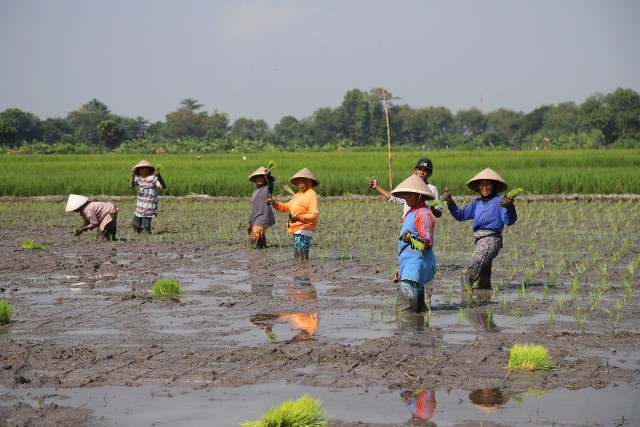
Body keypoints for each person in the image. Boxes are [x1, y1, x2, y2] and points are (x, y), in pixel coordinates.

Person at [441, 167, 517, 291]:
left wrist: (509, 207)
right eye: (482, 184)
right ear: (478, 186)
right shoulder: (477, 203)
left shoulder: (500, 202)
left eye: (488, 184)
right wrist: (450, 202)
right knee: (483, 279)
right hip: (479, 241)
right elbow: (460, 215)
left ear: (493, 186)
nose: (485, 187)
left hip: (491, 240)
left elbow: (509, 221)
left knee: (467, 274)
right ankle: (485, 304)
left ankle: (467, 306)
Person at [390, 174, 437, 312]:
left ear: (420, 195)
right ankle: (420, 332)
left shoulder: (423, 214)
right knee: (418, 309)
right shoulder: (410, 213)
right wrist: (400, 268)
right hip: (409, 267)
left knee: (407, 311)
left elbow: (426, 244)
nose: (407, 197)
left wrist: (411, 240)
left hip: (415, 266)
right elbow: (405, 247)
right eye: (405, 194)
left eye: (410, 194)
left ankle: (411, 333)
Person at [267, 168, 319, 261]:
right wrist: (274, 203)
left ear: (308, 181)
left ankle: (303, 272)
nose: (300, 183)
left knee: (300, 254)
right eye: (298, 181)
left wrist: (299, 217)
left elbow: (314, 214)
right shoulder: (298, 195)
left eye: (303, 181)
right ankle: (301, 272)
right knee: (298, 253)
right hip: (298, 227)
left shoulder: (311, 194)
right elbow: (286, 208)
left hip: (305, 227)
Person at [368, 157, 442, 218]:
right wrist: (376, 186)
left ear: (430, 174)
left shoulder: (432, 189)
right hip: (408, 224)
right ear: (415, 171)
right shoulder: (408, 187)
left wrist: (433, 210)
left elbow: (439, 212)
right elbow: (393, 197)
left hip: (423, 224)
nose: (421, 172)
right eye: (419, 169)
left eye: (425, 170)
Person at [130, 160, 166, 234]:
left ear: (148, 169)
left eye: (144, 168)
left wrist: (159, 176)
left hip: (149, 206)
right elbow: (132, 185)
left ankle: (146, 237)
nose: (142, 170)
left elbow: (163, 187)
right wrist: (132, 175)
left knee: (145, 227)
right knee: (135, 224)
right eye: (140, 168)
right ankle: (139, 236)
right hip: (140, 205)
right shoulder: (138, 178)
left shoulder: (153, 178)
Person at [247, 166, 276, 248]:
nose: (259, 179)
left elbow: (271, 185)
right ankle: (262, 248)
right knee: (258, 236)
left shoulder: (267, 188)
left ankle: (258, 254)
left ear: (265, 179)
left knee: (256, 234)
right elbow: (254, 207)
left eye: (261, 178)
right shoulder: (255, 191)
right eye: (257, 178)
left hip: (263, 215)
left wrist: (268, 177)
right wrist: (250, 223)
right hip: (255, 216)